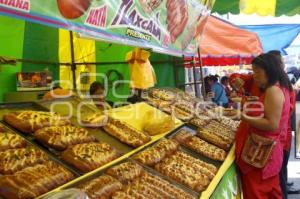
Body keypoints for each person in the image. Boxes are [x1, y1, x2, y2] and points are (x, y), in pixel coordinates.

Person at [235, 53, 293, 199]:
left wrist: (242, 116)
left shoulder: (274, 90)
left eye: (257, 72)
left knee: (258, 193)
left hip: (261, 153)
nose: (254, 76)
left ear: (269, 71)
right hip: (261, 151)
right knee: (268, 192)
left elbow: (272, 124)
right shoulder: (275, 88)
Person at [268, 50, 300, 196]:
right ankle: (285, 187)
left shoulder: (277, 88)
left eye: (257, 71)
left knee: (279, 176)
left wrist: (245, 116)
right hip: (283, 136)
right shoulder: (284, 84)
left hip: (279, 138)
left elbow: (273, 122)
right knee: (281, 172)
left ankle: (285, 189)